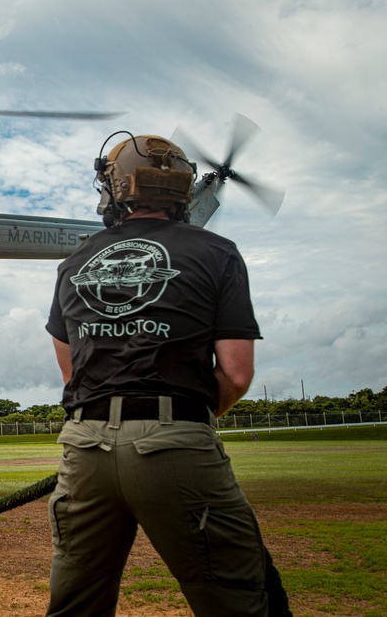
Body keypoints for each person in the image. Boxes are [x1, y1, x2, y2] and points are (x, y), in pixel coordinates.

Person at [44, 133, 291, 616]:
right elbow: (237, 374)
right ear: (181, 189)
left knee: (75, 605)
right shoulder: (217, 252)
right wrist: (180, 419)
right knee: (236, 599)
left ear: (115, 189)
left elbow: (71, 370)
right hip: (175, 440)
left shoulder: (74, 262)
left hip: (84, 447)